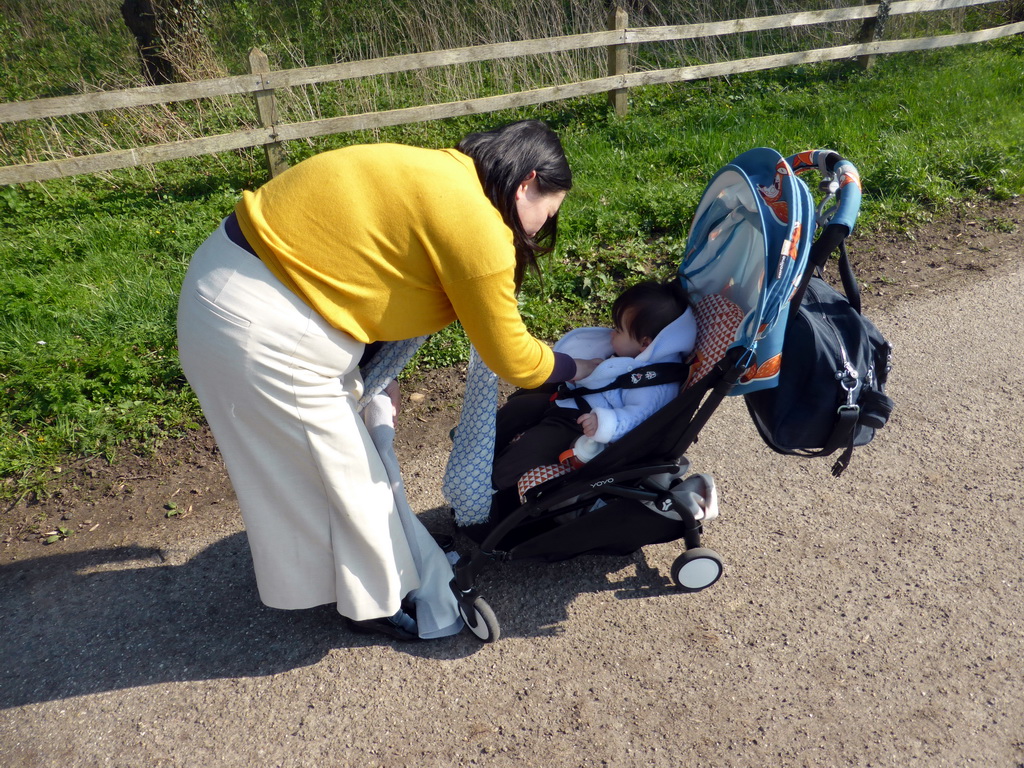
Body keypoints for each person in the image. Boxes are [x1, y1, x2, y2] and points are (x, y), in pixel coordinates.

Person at [176, 120, 600, 641]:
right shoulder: (479, 223)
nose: (534, 232)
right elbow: (514, 358)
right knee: (349, 476)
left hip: (229, 284)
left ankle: (365, 569)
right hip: (263, 325)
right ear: (526, 183)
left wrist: (365, 369)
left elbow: (363, 262)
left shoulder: (436, 170)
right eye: (546, 214)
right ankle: (376, 601)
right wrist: (577, 366)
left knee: (320, 465)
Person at [492, 279, 696, 492]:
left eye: (617, 330)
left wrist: (605, 423)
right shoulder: (635, 354)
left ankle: (490, 486)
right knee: (519, 408)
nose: (611, 333)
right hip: (570, 402)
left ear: (645, 342)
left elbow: (639, 418)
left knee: (532, 447)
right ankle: (480, 449)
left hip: (582, 429)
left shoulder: (655, 384)